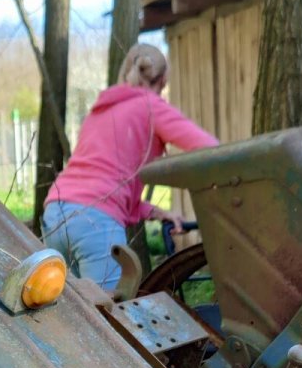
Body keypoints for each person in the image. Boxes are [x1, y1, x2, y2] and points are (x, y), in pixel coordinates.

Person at [41, 43, 219, 291]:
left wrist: (156, 212)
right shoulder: (150, 106)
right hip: (94, 224)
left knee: (75, 316)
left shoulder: (101, 111)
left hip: (56, 214)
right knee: (107, 317)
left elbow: (106, 183)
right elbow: (210, 148)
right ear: (163, 80)